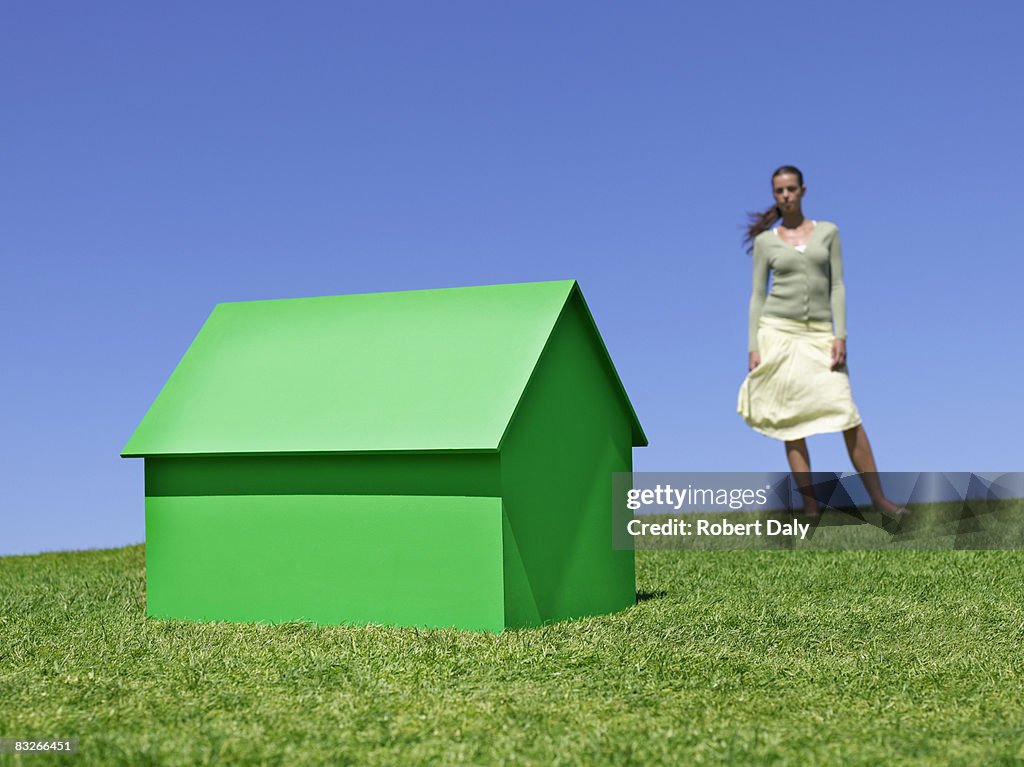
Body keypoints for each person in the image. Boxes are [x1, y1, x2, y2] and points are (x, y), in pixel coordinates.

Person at [737, 165, 907, 518]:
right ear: (774, 195)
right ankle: (811, 508)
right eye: (778, 191)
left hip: (819, 334)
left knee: (846, 412)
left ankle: (880, 501)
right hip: (778, 332)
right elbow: (757, 294)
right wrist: (754, 345)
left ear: (803, 190)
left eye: (791, 189)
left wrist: (839, 334)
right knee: (790, 419)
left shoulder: (828, 232)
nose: (785, 196)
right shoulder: (767, 241)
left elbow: (837, 286)